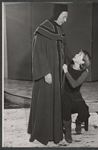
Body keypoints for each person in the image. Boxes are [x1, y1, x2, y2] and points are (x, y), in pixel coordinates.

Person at [27, 4, 70, 145]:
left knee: (55, 103)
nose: (65, 20)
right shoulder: (43, 29)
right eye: (64, 16)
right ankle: (43, 133)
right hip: (48, 74)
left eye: (66, 17)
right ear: (57, 14)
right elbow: (37, 52)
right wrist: (45, 72)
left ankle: (55, 133)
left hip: (57, 74)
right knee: (46, 103)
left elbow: (62, 50)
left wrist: (65, 63)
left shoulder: (58, 29)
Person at [61, 50, 91, 143]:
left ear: (82, 62)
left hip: (76, 95)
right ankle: (68, 132)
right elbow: (66, 49)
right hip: (65, 94)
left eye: (79, 55)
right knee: (66, 109)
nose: (76, 54)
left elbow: (74, 85)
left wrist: (66, 72)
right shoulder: (69, 66)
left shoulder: (85, 72)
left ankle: (78, 122)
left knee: (84, 112)